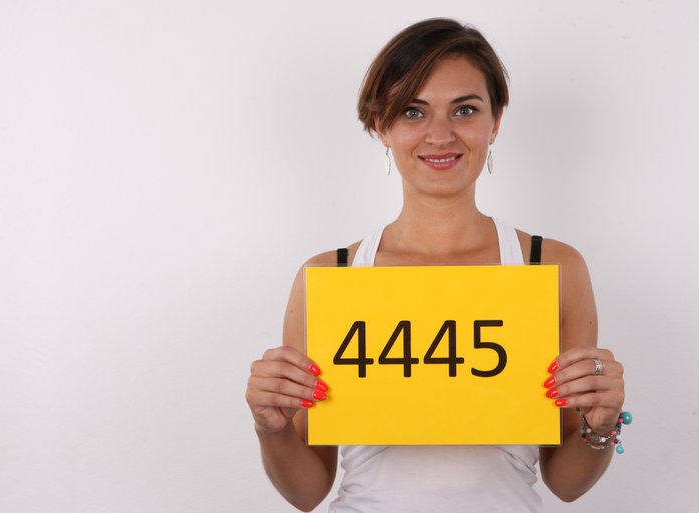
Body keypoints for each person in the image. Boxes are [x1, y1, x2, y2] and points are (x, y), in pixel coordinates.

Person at [245, 18, 627, 513]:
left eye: (464, 110)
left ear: (495, 121)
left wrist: (600, 423)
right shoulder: (329, 276)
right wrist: (270, 427)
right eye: (413, 111)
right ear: (381, 126)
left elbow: (567, 483)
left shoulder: (552, 267)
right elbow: (308, 491)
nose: (440, 134)